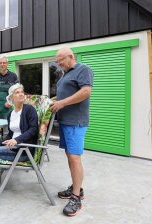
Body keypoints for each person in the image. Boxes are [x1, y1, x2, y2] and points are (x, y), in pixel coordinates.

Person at [51, 47, 93, 217]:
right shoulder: (65, 75)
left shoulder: (83, 69)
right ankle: (77, 188)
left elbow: (86, 91)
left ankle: (76, 197)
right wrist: (52, 100)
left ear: (71, 56)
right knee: (70, 157)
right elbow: (62, 97)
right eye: (57, 61)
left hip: (76, 122)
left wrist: (62, 103)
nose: (58, 63)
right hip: (65, 121)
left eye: (60, 59)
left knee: (75, 158)